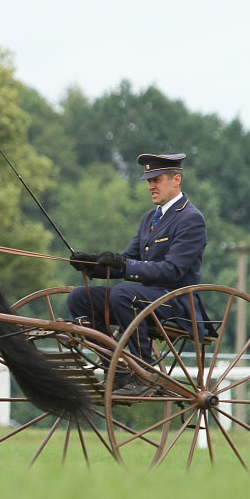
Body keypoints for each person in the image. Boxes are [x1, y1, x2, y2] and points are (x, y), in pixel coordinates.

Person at [67, 153, 207, 396]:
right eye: (148, 181)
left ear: (177, 180)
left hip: (174, 300)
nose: (151, 185)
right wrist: (92, 264)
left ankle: (145, 373)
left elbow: (173, 270)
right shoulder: (149, 219)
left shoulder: (191, 218)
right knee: (80, 297)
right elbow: (126, 260)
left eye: (157, 179)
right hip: (141, 296)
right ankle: (115, 365)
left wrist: (125, 265)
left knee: (124, 294)